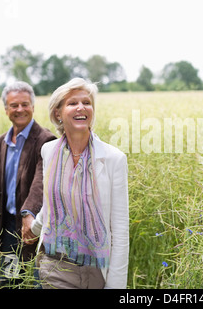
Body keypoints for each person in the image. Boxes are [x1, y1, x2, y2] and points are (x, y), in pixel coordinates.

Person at [28, 77, 129, 289]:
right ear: (58, 112)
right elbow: (52, 203)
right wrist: (34, 227)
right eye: (73, 103)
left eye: (87, 102)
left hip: (93, 271)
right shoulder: (49, 151)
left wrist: (115, 286)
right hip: (54, 264)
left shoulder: (113, 158)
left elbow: (119, 231)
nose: (81, 107)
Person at [0, 81, 56, 286]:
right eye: (14, 105)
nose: (20, 109)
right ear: (6, 109)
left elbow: (40, 181)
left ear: (33, 107)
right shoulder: (2, 141)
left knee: (35, 281)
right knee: (9, 281)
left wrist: (28, 213)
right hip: (8, 227)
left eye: (25, 104)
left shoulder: (46, 139)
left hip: (34, 227)